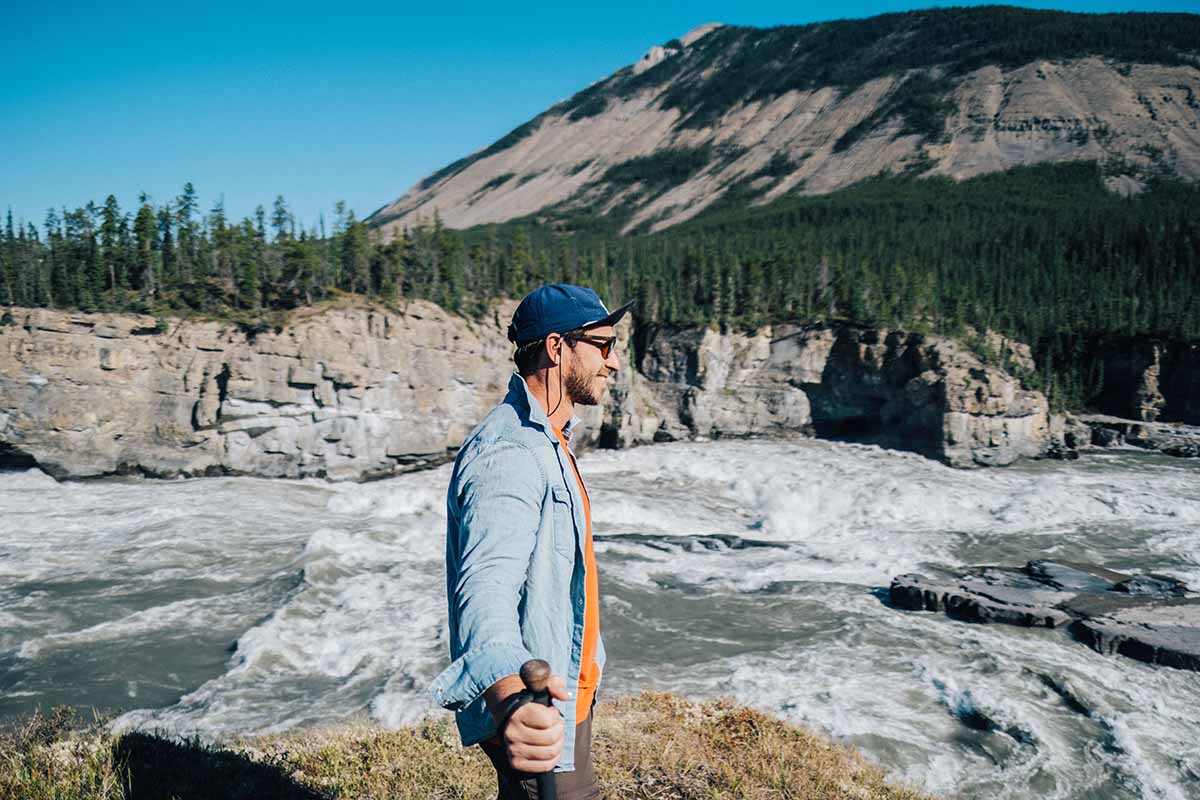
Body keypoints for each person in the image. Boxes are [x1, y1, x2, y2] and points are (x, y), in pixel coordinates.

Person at [430, 283, 633, 799]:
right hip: (533, 705)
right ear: (557, 348)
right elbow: (485, 589)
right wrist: (513, 700)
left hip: (560, 692)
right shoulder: (511, 452)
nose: (613, 363)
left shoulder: (549, 437)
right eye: (603, 346)